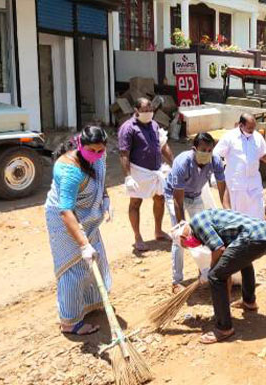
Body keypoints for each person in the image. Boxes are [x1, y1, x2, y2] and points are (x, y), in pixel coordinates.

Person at [170, 209, 266, 344]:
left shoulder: (197, 223)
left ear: (184, 238)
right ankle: (249, 302)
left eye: (186, 246)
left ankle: (224, 328)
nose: (190, 247)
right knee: (242, 261)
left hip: (253, 237)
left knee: (215, 277)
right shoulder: (206, 220)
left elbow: (219, 249)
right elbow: (227, 262)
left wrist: (210, 271)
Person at [45, 125, 112, 335]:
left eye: (101, 150)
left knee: (95, 260)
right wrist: (83, 245)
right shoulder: (70, 170)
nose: (97, 154)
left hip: (88, 218)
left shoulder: (98, 158)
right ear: (80, 145)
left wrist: (106, 198)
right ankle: (70, 322)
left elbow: (100, 179)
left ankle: (90, 304)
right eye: (91, 150)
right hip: (66, 222)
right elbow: (65, 211)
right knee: (73, 268)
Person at [165, 133, 229, 293]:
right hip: (175, 196)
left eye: (209, 149)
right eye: (203, 150)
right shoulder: (182, 163)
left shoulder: (215, 161)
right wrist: (181, 225)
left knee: (204, 234)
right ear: (194, 149)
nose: (207, 153)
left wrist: (227, 209)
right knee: (179, 239)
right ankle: (176, 281)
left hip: (196, 195)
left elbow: (222, 188)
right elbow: (178, 200)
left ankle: (204, 269)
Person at [118, 97, 174, 251]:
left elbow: (163, 145)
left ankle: (158, 231)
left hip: (155, 170)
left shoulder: (154, 124)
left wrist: (174, 162)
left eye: (150, 110)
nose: (148, 113)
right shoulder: (128, 128)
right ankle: (137, 237)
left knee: (160, 199)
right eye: (144, 110)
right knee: (135, 203)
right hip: (138, 171)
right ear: (136, 111)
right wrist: (128, 176)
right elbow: (124, 153)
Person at [213, 113, 266, 219]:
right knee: (238, 216)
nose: (252, 130)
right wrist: (217, 175)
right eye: (250, 128)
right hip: (236, 185)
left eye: (254, 127)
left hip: (254, 184)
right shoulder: (229, 137)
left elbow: (263, 155)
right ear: (241, 125)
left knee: (257, 213)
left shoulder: (257, 137)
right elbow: (216, 155)